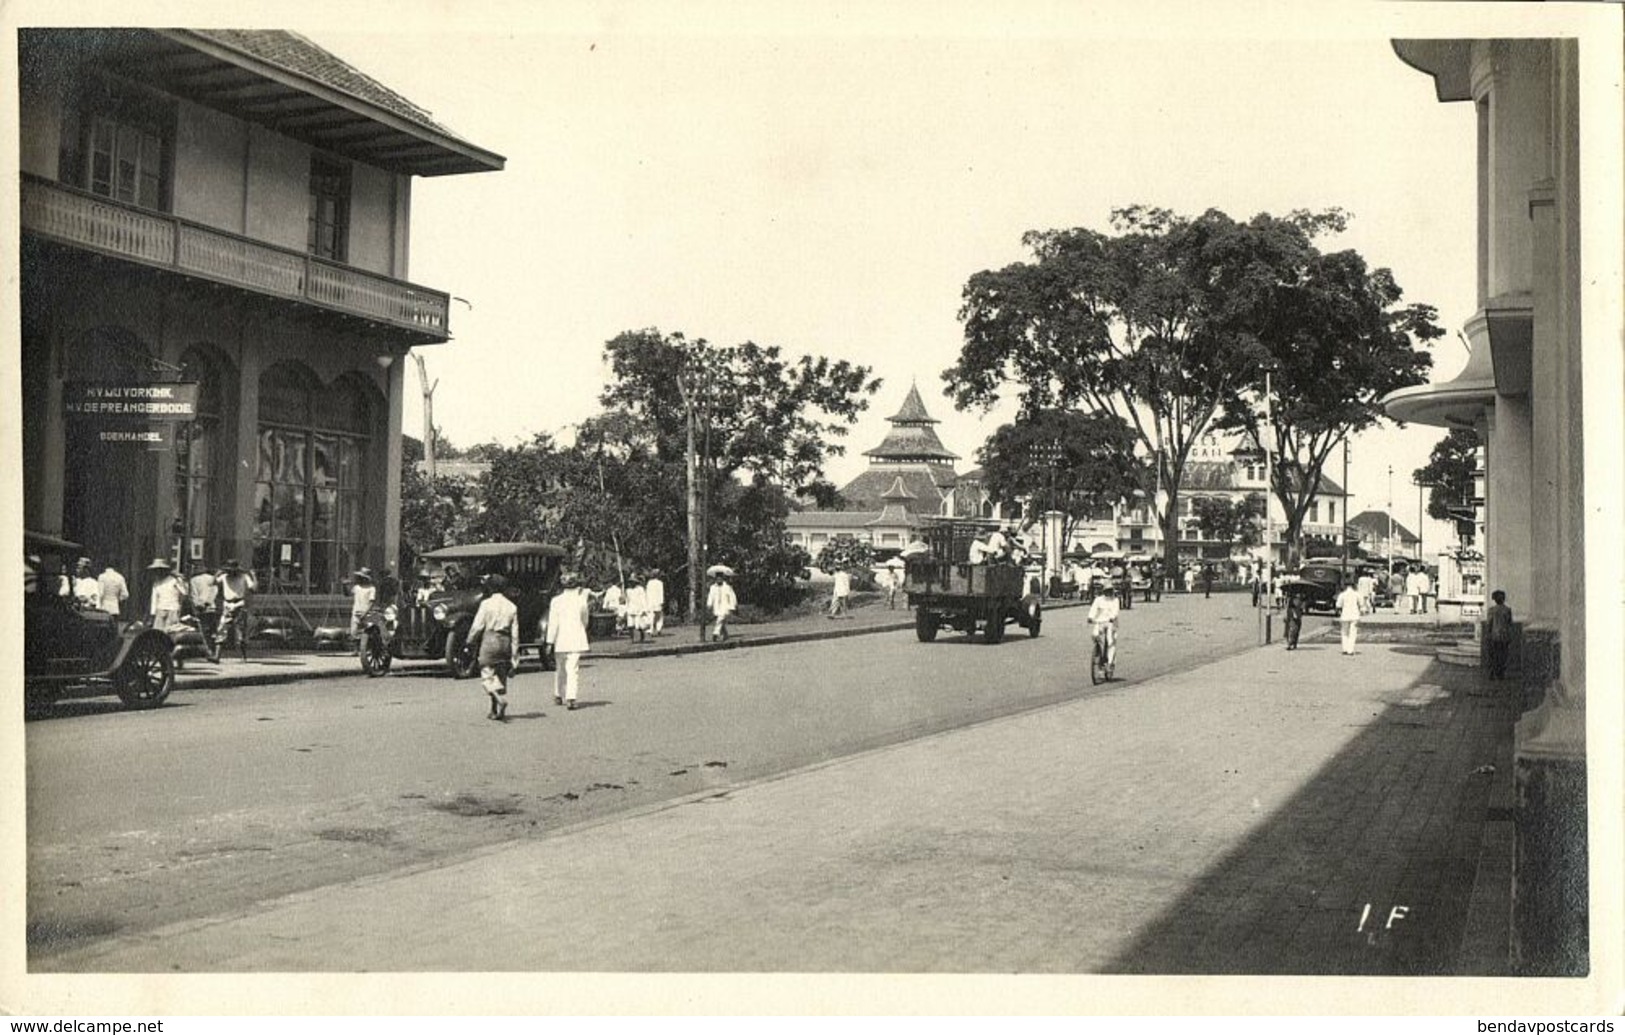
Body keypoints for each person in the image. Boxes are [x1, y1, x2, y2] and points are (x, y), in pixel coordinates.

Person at [467, 573, 522, 720]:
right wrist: (514, 654)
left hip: (490, 640)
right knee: (500, 675)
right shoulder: (512, 607)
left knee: (487, 674)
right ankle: (494, 710)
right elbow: (515, 633)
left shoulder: (486, 604)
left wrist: (470, 640)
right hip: (505, 641)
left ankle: (498, 699)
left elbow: (477, 626)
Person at [546, 572, 592, 709]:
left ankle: (558, 694)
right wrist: (581, 629)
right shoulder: (581, 600)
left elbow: (553, 623)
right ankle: (571, 697)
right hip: (576, 638)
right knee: (573, 669)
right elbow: (585, 620)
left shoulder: (556, 601)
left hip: (560, 639)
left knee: (560, 668)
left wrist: (550, 641)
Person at [212, 558, 257, 662]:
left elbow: (253, 588)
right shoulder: (224, 577)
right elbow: (213, 582)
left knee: (240, 630)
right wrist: (217, 574)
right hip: (227, 604)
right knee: (222, 629)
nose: (231, 573)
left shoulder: (243, 577)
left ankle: (244, 656)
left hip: (239, 604)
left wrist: (253, 576)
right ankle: (217, 656)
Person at [1087, 577, 1121, 673]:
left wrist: (1112, 617)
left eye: (1110, 591)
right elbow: (1093, 609)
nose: (1108, 593)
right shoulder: (1098, 600)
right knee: (1095, 635)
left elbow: (1116, 612)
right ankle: (1098, 653)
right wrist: (1090, 617)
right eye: (1106, 591)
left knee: (1110, 642)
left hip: (1111, 623)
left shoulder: (1115, 600)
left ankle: (1110, 662)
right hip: (1100, 622)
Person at [146, 558, 187, 630]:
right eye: (156, 570)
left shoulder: (174, 580)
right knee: (158, 631)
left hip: (173, 608)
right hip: (160, 608)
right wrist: (152, 613)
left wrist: (180, 581)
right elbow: (154, 599)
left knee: (170, 630)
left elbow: (184, 592)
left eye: (160, 570)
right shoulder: (156, 583)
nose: (158, 572)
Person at [1485, 589, 1514, 680]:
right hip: (1504, 636)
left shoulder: (1492, 610)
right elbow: (1510, 623)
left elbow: (1489, 624)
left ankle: (1492, 673)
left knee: (1493, 655)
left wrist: (1488, 635)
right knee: (1503, 655)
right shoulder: (1507, 610)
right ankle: (1501, 673)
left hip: (1494, 636)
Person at [189, 566, 220, 646]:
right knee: (212, 627)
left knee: (203, 627)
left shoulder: (193, 580)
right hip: (211, 606)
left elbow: (194, 594)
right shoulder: (211, 578)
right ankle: (212, 644)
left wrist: (197, 604)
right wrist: (208, 602)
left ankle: (205, 644)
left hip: (200, 606)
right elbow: (214, 591)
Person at [707, 570, 737, 642]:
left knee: (721, 618)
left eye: (720, 578)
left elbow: (732, 597)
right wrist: (709, 604)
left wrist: (732, 606)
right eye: (717, 578)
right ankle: (725, 635)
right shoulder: (713, 587)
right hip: (717, 606)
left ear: (723, 578)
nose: (719, 579)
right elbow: (710, 596)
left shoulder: (727, 587)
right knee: (721, 621)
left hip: (725, 606)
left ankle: (715, 633)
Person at [1336, 576, 1363, 656]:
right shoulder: (1357, 594)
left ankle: (1345, 648)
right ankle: (1350, 650)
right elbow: (1361, 604)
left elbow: (1338, 605)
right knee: (1353, 633)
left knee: (1344, 632)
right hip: (1354, 615)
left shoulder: (1342, 595)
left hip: (1345, 615)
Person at [348, 568, 376, 638]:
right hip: (356, 613)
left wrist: (364, 613)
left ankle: (364, 647)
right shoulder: (356, 587)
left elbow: (371, 602)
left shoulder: (371, 588)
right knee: (354, 633)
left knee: (365, 634)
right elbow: (347, 594)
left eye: (361, 577)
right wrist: (344, 585)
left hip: (366, 614)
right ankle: (356, 647)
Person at [625, 573, 651, 644]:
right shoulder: (628, 591)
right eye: (631, 582)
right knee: (630, 625)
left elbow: (643, 599)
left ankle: (642, 637)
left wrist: (644, 609)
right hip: (631, 609)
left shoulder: (640, 589)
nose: (632, 584)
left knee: (638, 625)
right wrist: (626, 609)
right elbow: (627, 601)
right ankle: (632, 639)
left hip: (638, 609)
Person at [646, 569, 666, 636]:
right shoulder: (660, 583)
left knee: (651, 616)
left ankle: (651, 629)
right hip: (657, 601)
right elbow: (661, 593)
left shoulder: (649, 583)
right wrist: (661, 601)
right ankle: (658, 629)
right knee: (659, 616)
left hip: (651, 601)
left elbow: (647, 593)